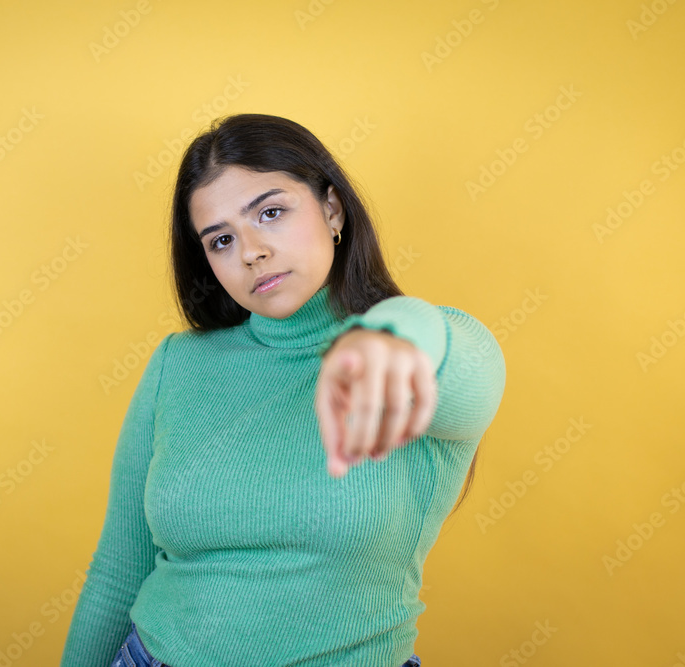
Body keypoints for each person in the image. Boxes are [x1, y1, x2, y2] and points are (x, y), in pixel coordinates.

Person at [59, 113, 506, 667]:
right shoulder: (179, 363)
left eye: (270, 212)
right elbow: (118, 572)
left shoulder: (426, 356)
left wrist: (390, 334)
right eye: (221, 240)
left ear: (332, 208)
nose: (250, 251)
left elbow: (461, 362)